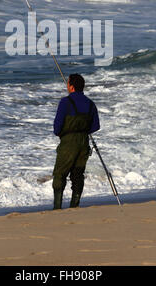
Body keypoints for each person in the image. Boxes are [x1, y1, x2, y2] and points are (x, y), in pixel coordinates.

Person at [52, 73, 100, 210]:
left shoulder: (65, 102)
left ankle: (57, 207)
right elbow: (96, 126)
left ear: (71, 87)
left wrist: (62, 134)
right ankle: (74, 206)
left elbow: (57, 126)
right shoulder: (90, 104)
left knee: (60, 174)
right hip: (84, 142)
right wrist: (84, 131)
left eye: (68, 83)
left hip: (68, 142)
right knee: (78, 175)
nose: (67, 85)